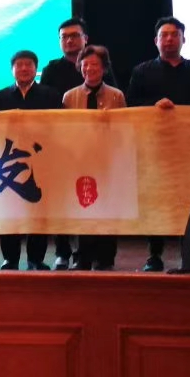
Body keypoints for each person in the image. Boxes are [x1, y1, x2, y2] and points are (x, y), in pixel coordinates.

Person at [127, 17, 190, 271]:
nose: (169, 39)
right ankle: (154, 255)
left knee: (188, 199)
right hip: (155, 147)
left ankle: (189, 253)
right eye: (164, 35)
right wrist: (153, 106)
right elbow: (131, 104)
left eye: (174, 34)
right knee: (156, 199)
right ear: (156, 41)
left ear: (183, 39)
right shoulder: (142, 71)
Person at [41, 17, 119, 270]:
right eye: (64, 37)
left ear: (85, 38)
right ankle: (65, 253)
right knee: (68, 201)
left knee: (102, 202)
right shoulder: (52, 71)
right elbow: (46, 106)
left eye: (74, 36)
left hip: (104, 153)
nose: (69, 40)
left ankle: (102, 256)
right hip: (68, 150)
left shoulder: (111, 87)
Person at [0, 50, 61, 271]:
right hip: (9, 162)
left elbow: (60, 127)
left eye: (28, 64)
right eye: (19, 65)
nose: (23, 69)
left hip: (40, 160)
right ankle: (10, 258)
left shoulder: (51, 96)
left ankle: (35, 258)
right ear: (12, 69)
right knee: (9, 211)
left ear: (35, 68)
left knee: (38, 210)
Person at [61, 45, 125, 270]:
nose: (89, 68)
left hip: (108, 161)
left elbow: (124, 130)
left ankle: (105, 257)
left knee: (107, 207)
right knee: (81, 207)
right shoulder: (70, 96)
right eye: (85, 64)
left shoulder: (116, 96)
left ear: (104, 68)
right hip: (79, 161)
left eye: (95, 64)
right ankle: (81, 257)